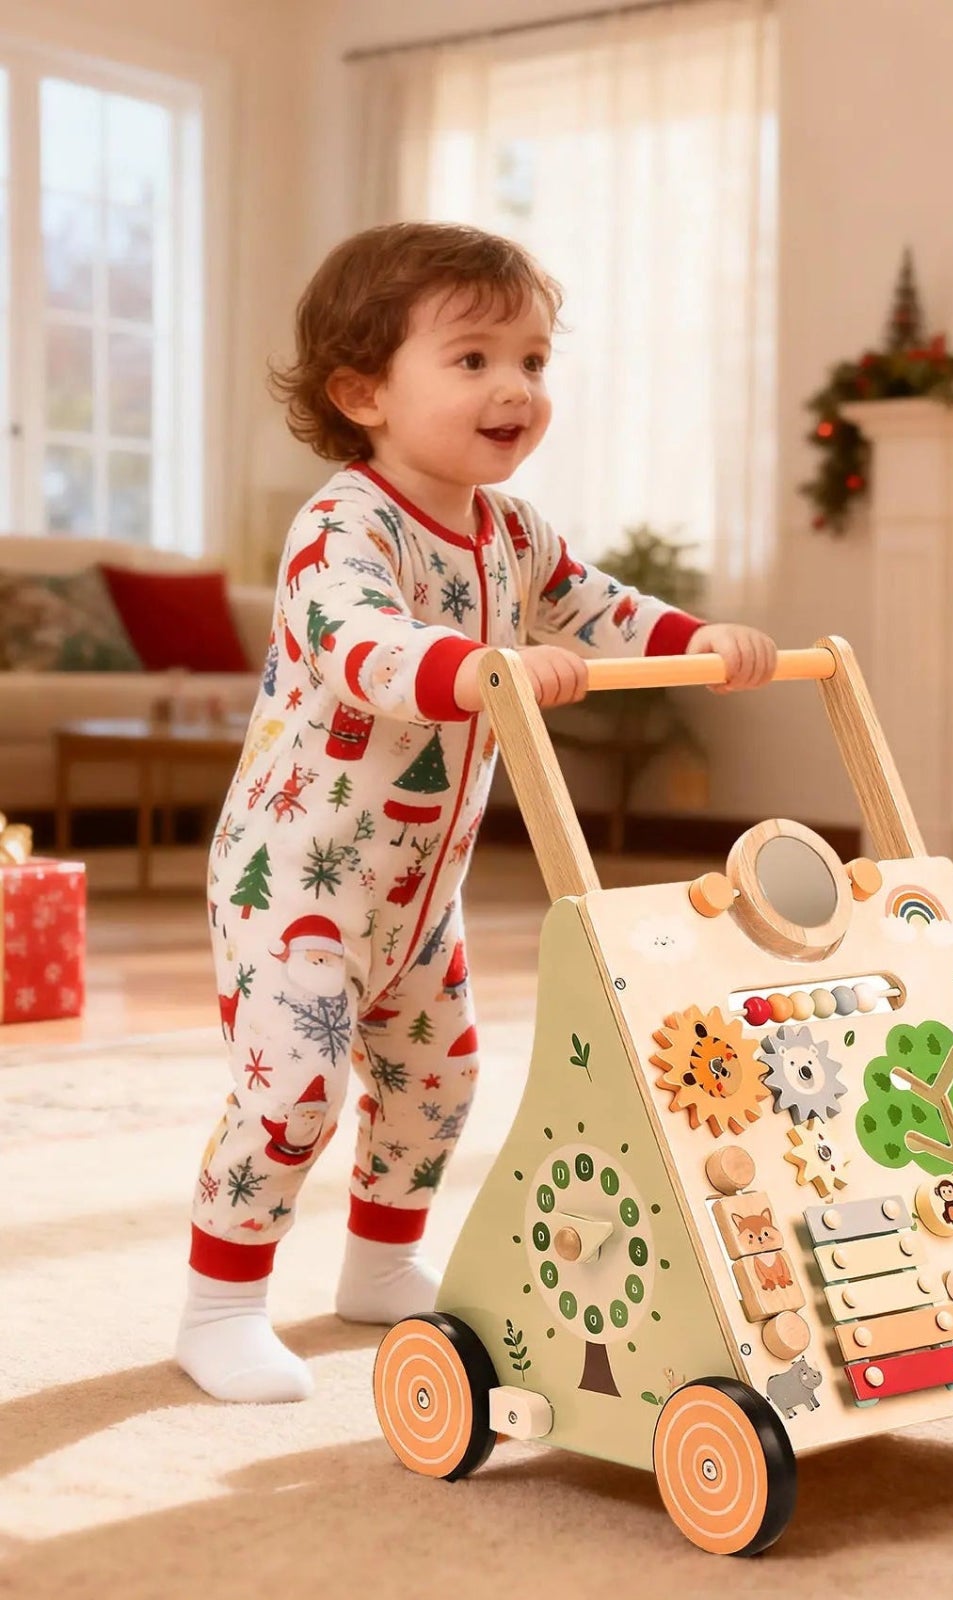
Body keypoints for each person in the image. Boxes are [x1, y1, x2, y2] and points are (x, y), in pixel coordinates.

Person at [176, 222, 776, 1402]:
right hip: (297, 874)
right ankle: (220, 1303)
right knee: (294, 1088)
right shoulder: (342, 523)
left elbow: (592, 604)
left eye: (534, 361)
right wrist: (468, 665)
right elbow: (359, 645)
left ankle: (380, 1265)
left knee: (438, 1078)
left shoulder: (513, 530)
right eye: (472, 360)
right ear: (363, 392)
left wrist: (693, 639)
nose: (515, 388)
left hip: (418, 888)